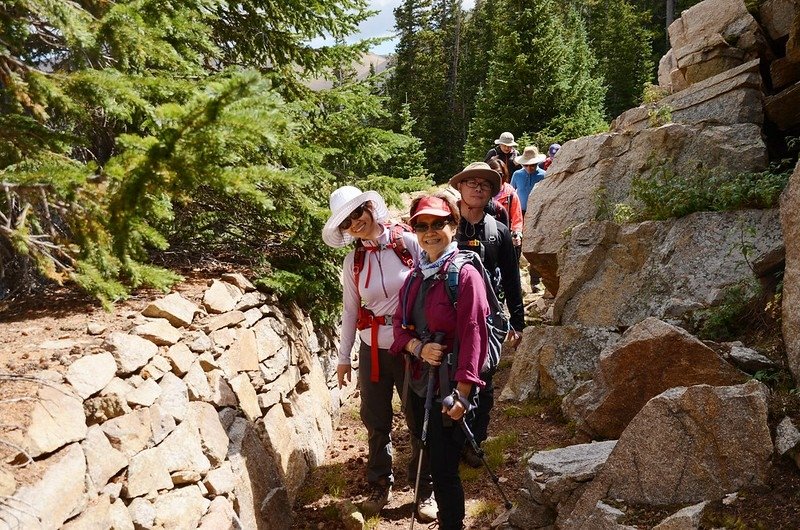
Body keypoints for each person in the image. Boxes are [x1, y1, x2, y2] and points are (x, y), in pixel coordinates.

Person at [322, 186, 436, 521]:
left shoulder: (408, 243)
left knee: (418, 420)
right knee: (376, 421)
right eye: (346, 222)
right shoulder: (353, 261)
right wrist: (344, 358)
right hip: (372, 348)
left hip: (411, 347)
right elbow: (349, 311)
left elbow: (432, 283)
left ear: (370, 208)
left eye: (357, 214)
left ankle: (424, 490)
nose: (354, 223)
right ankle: (379, 485)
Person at [391, 193, 489, 530]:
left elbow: (474, 333)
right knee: (430, 453)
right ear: (415, 231)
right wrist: (418, 347)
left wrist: (463, 393)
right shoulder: (415, 277)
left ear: (453, 225)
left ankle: (452, 524)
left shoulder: (463, 276)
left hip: (450, 386)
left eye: (438, 223)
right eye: (422, 226)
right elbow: (398, 327)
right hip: (419, 382)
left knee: (445, 468)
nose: (430, 232)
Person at [449, 162, 524, 466]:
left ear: (491, 191)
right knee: (451, 375)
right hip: (450, 317)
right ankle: (452, 438)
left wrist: (518, 322)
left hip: (488, 318)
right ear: (460, 188)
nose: (477, 188)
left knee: (484, 378)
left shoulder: (499, 233)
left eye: (484, 184)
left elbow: (511, 277)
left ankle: (474, 441)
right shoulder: (445, 228)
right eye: (471, 183)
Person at [511, 146, 547, 291]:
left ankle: (535, 281)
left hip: (539, 213)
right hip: (521, 213)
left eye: (532, 165)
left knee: (535, 246)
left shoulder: (544, 175)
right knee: (517, 244)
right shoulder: (517, 175)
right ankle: (516, 280)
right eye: (526, 165)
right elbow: (511, 193)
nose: (529, 167)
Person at [487, 156, 523, 259]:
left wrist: (517, 234)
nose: (497, 177)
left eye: (499, 174)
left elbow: (517, 216)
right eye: (493, 174)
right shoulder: (483, 191)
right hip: (487, 235)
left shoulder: (510, 193)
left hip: (506, 236)